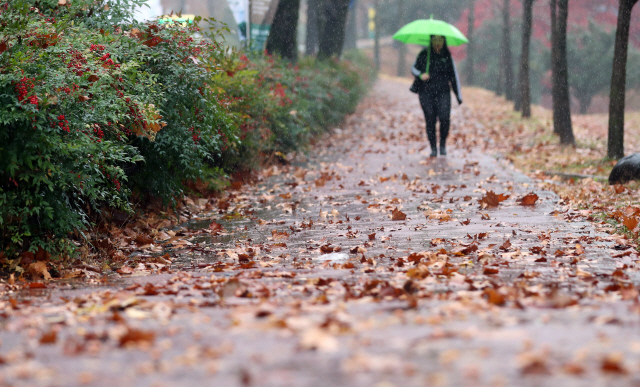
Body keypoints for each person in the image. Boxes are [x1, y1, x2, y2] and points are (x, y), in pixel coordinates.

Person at [410, 35, 462, 157]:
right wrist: (421, 75)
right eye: (435, 40)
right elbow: (414, 69)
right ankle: (433, 147)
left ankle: (442, 144)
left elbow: (453, 76)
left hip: (443, 92)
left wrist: (458, 96)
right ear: (431, 41)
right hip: (426, 92)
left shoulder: (447, 56)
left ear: (444, 41)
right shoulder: (424, 54)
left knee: (444, 118)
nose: (437, 43)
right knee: (430, 119)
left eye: (440, 40)